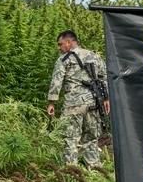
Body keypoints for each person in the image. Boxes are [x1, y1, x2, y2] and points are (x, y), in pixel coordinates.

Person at [47, 29, 110, 169]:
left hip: (73, 106)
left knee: (70, 139)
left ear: (69, 42)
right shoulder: (93, 56)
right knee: (92, 138)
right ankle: (94, 169)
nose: (59, 48)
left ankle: (72, 171)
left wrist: (52, 102)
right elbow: (105, 77)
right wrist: (106, 99)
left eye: (60, 44)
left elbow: (56, 82)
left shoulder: (64, 60)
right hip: (93, 104)